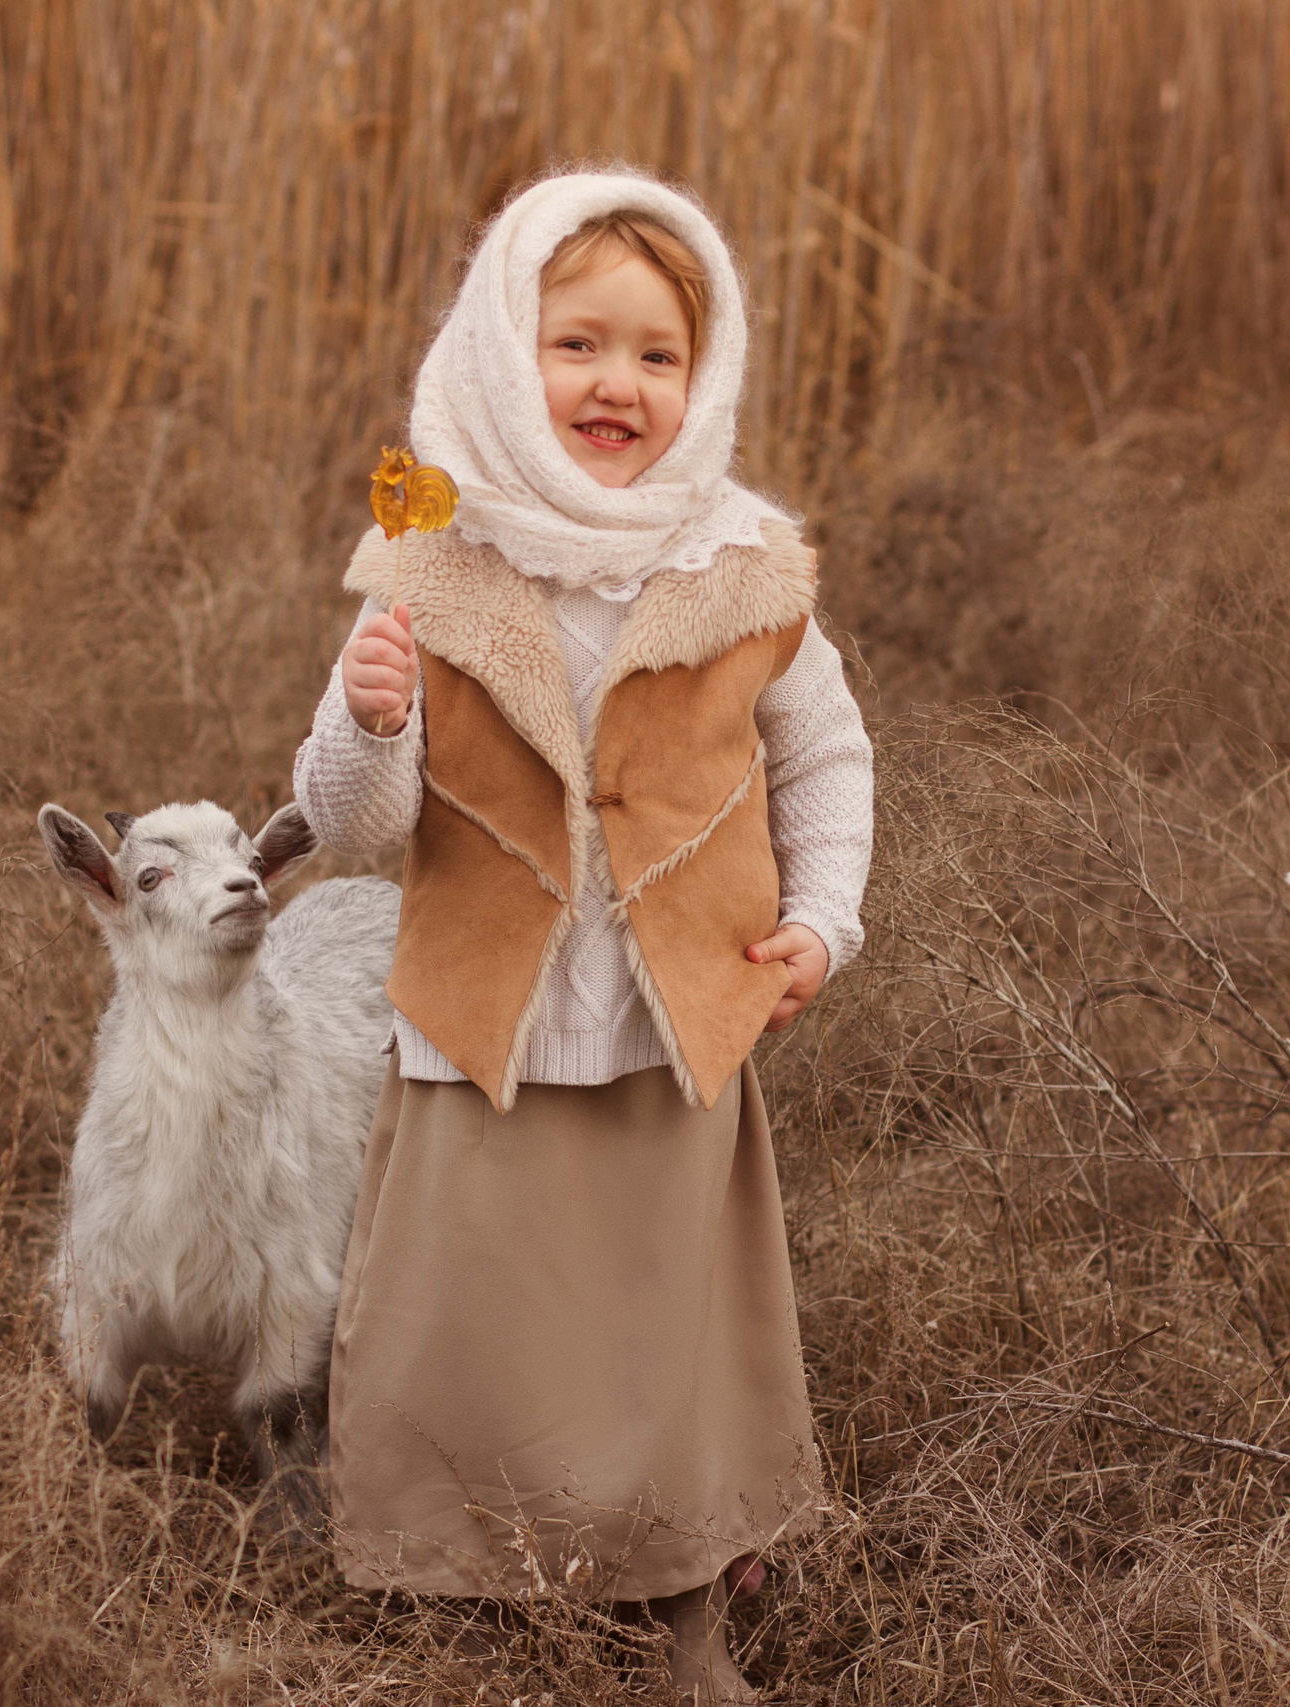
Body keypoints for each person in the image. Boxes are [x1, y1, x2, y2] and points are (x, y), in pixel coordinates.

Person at [290, 167, 874, 1702]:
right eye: (578, 345)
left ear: (709, 372)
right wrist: (369, 720)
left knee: (660, 1338)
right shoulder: (434, 559)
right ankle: (470, 1598)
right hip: (487, 1020)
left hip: (670, 1023)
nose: (619, 383)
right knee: (471, 1328)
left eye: (658, 355)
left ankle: (682, 1612)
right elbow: (351, 825)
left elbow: (825, 757)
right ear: (502, 350)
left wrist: (823, 919)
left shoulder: (743, 568)